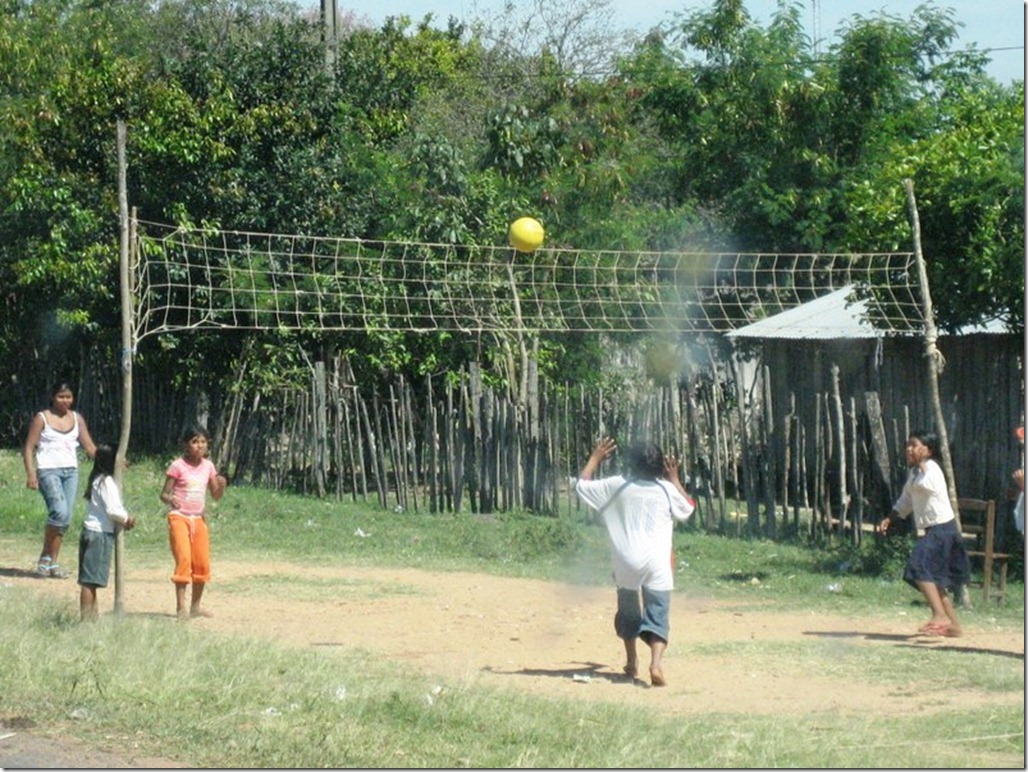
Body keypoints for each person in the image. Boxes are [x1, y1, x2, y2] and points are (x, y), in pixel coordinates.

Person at [572, 437, 695, 687]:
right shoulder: (666, 490)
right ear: (661, 466)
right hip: (658, 562)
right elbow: (689, 507)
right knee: (658, 613)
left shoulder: (618, 485)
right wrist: (674, 479)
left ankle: (631, 662)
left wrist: (595, 457)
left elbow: (581, 486)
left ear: (631, 464)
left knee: (628, 611)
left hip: (625, 562)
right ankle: (656, 664)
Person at [878, 431, 969, 637]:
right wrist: (890, 518)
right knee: (933, 580)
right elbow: (905, 501)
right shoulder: (915, 475)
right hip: (934, 530)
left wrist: (920, 465)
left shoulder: (932, 470)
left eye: (914, 445)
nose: (908, 449)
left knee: (918, 567)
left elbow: (923, 486)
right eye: (907, 446)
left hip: (942, 530)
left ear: (928, 450)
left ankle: (939, 615)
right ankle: (953, 626)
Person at [23, 381, 97, 578]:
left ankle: (52, 562)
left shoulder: (76, 418)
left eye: (69, 397)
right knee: (59, 511)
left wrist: (111, 459)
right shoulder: (42, 418)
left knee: (65, 518)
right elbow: (29, 447)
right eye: (61, 396)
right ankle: (45, 558)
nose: (65, 401)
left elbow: (89, 447)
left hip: (70, 471)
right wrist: (31, 474)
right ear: (53, 397)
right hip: (48, 470)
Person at [160, 424, 227, 620]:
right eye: (195, 442)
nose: (199, 446)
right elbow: (164, 493)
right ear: (185, 445)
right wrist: (170, 499)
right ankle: (181, 608)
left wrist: (221, 486)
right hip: (179, 517)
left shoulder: (209, 467)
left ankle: (195, 607)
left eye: (203, 442)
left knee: (202, 562)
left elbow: (215, 495)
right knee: (184, 560)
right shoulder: (177, 465)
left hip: (198, 519)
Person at [78, 445, 136, 621]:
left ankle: (92, 618)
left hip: (90, 532)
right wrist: (127, 519)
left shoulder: (97, 479)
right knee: (90, 581)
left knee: (90, 581)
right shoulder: (107, 482)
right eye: (122, 458)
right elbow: (113, 510)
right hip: (100, 536)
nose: (126, 462)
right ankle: (86, 620)